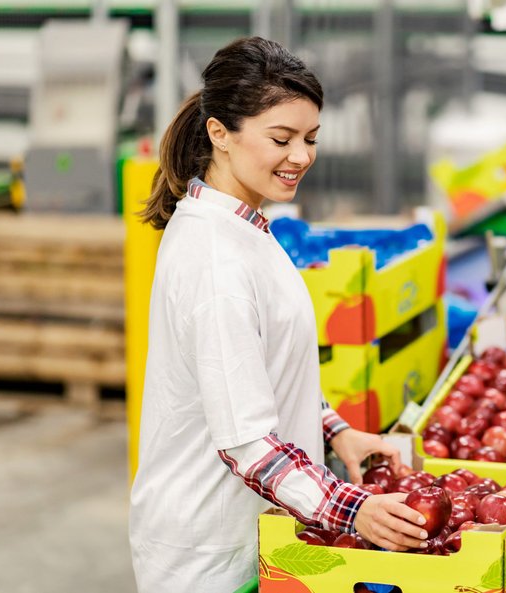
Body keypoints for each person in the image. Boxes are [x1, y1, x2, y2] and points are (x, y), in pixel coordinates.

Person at [129, 36, 428, 593]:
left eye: (310, 138)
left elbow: (260, 366)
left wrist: (337, 432)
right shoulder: (214, 262)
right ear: (220, 134)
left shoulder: (245, 226)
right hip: (210, 551)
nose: (301, 157)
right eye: (281, 139)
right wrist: (351, 509)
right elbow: (244, 440)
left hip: (260, 530)